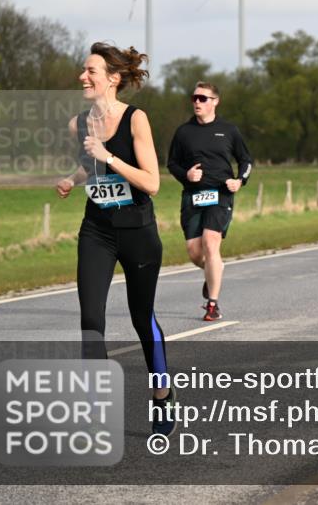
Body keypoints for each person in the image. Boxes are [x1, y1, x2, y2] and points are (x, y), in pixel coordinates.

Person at [55, 42, 175, 436]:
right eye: (83, 70)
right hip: (97, 231)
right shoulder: (78, 123)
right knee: (91, 320)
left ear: (113, 78)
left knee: (142, 319)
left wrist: (110, 157)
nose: (82, 77)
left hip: (138, 232)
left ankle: (161, 397)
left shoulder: (135, 119)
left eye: (90, 71)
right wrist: (73, 180)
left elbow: (152, 183)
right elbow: (90, 165)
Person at [167, 81, 253, 321]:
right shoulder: (183, 132)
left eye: (202, 98)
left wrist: (239, 181)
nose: (197, 102)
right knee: (195, 252)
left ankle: (212, 305)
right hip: (193, 195)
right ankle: (212, 272)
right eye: (194, 98)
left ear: (215, 101)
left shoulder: (228, 130)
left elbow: (246, 160)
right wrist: (187, 174)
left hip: (220, 193)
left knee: (210, 241)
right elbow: (172, 163)